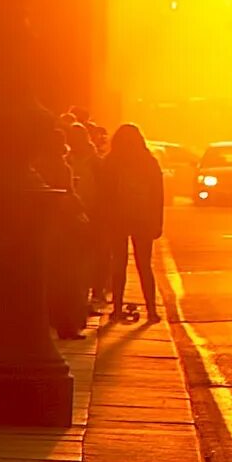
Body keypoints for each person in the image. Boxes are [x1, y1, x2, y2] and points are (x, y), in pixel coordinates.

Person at [98, 125, 166, 327]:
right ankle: (151, 310)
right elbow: (158, 195)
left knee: (118, 265)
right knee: (144, 265)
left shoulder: (111, 162)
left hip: (117, 220)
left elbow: (104, 195)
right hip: (143, 219)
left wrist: (105, 220)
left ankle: (117, 309)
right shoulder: (148, 162)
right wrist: (157, 222)